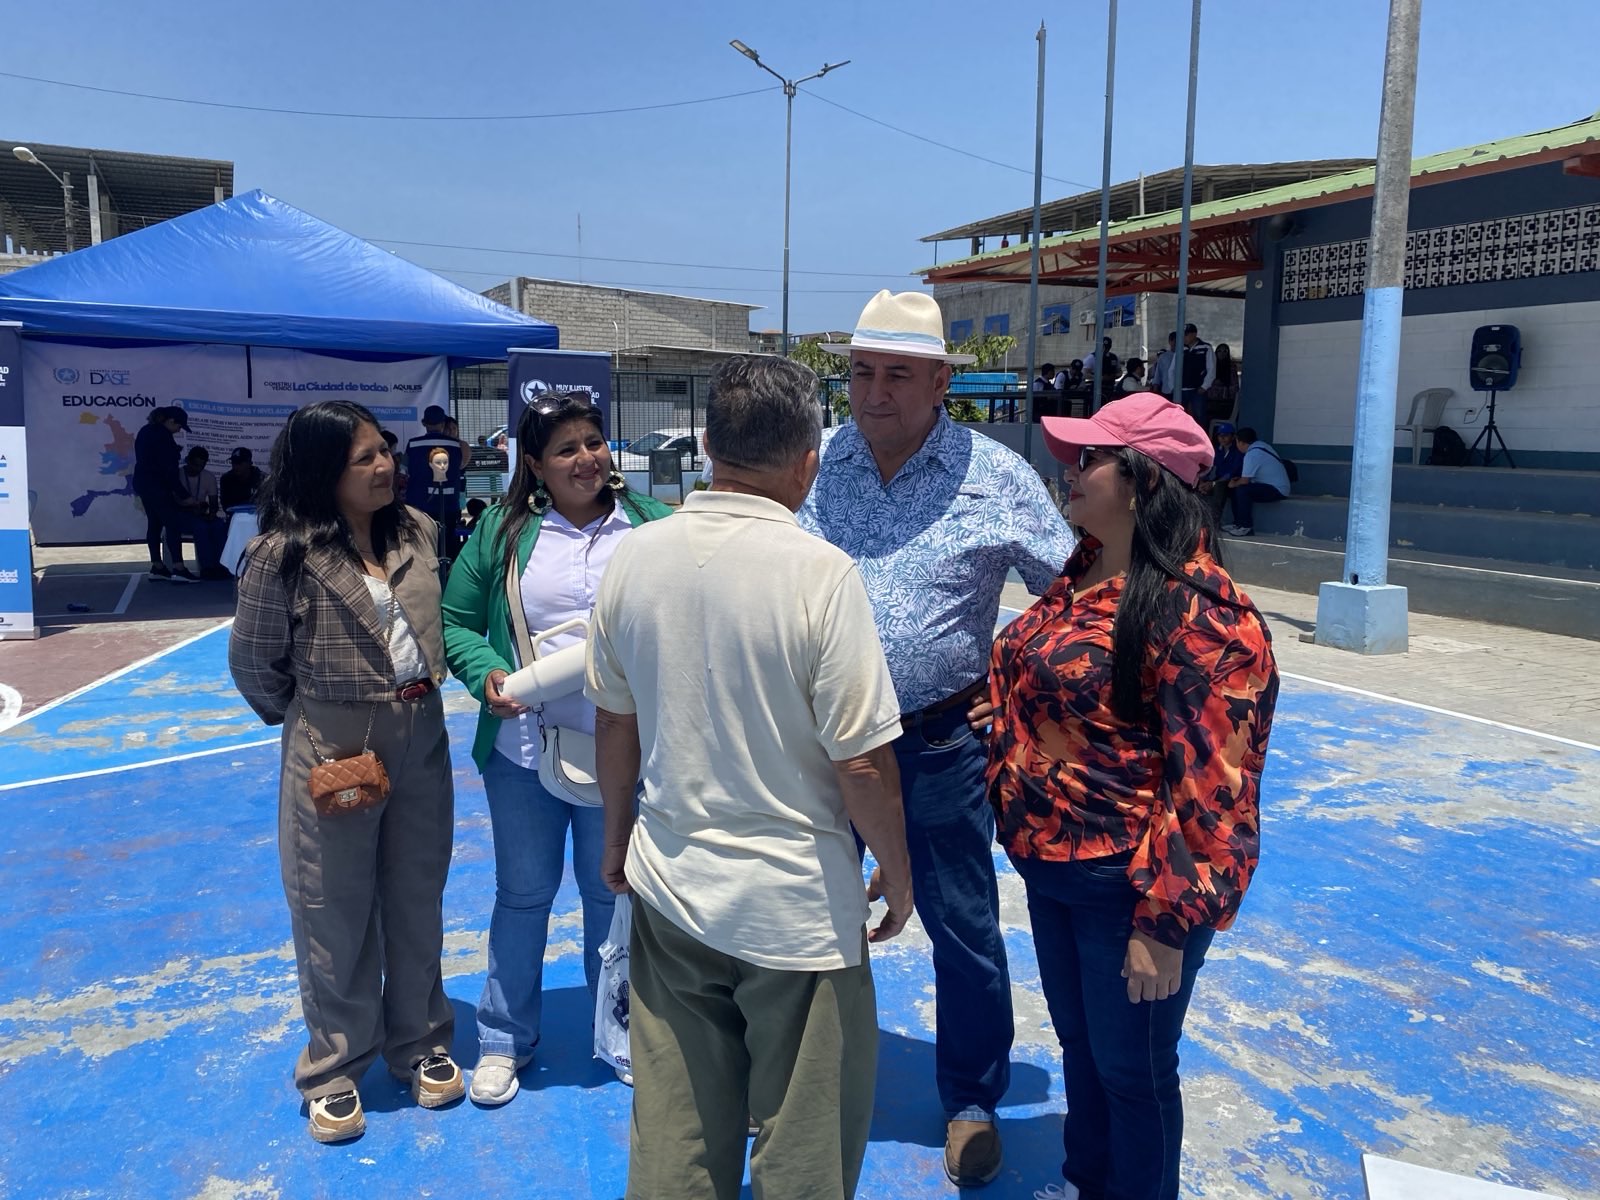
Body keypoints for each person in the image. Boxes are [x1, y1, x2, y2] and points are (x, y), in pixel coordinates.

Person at [586, 354, 913, 1200]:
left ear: (706, 446)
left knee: (676, 1139)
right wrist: (898, 871)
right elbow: (861, 761)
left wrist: (617, 838)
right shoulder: (820, 573)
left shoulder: (635, 558)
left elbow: (615, 723)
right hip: (795, 910)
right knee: (803, 1153)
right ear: (807, 461)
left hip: (672, 886)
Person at [805, 291, 1078, 1187]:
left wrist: (1021, 688)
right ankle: (808, 1078)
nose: (873, 393)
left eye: (896, 375)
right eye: (861, 373)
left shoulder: (998, 478)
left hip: (939, 744)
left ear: (940, 384)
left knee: (960, 925)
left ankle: (970, 1098)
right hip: (818, 741)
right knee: (810, 911)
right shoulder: (817, 461)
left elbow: (1075, 598)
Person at [986, 392, 1278, 1200]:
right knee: (1083, 1050)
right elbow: (1060, 680)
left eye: (1092, 460)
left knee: (1133, 1070)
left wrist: (1166, 923)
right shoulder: (1084, 571)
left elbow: (1214, 789)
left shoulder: (1206, 616)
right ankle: (1090, 1183)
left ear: (1146, 482)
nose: (1070, 471)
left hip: (1129, 885)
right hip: (1053, 866)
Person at [229, 400, 461, 1145]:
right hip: (334, 742)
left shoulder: (416, 531)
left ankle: (420, 1040)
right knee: (332, 906)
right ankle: (334, 1067)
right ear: (322, 470)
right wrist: (317, 719)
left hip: (420, 731)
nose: (385, 466)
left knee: (417, 892)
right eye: (364, 458)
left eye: (384, 451)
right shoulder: (282, 554)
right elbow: (254, 664)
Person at [440, 391, 671, 1108]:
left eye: (594, 442)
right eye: (566, 449)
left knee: (616, 893)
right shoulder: (502, 533)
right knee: (523, 894)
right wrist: (488, 674)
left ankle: (622, 1033)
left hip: (626, 755)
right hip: (522, 753)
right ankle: (503, 1040)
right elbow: (455, 623)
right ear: (535, 466)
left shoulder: (653, 525)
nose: (586, 459)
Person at [132, 406, 198, 583]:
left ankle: (157, 566)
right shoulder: (164, 437)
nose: (179, 430)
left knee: (154, 524)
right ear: (170, 421)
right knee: (173, 524)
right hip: (158, 487)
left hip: (143, 484)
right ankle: (179, 568)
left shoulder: (145, 431)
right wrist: (185, 496)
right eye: (179, 426)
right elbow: (169, 472)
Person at [406, 405, 465, 553]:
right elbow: (459, 466)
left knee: (422, 545)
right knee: (447, 545)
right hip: (449, 503)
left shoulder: (413, 444)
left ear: (424, 423)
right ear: (443, 423)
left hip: (419, 503)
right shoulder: (456, 445)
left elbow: (406, 468)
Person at [1223, 426, 1291, 536]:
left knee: (1242, 490)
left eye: (1237, 442)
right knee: (1238, 489)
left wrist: (1233, 483)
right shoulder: (1263, 446)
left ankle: (1246, 527)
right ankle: (1238, 523)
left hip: (1277, 490)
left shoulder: (1252, 454)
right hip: (1274, 486)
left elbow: (1245, 481)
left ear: (1241, 442)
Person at [177, 446, 231, 580]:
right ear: (188, 461)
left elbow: (214, 502)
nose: (198, 469)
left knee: (219, 526)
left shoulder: (208, 476)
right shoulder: (178, 475)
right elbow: (174, 502)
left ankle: (221, 566)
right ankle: (207, 568)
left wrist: (211, 514)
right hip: (182, 514)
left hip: (201, 513)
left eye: (201, 466)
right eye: (195, 465)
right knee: (200, 527)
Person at [1197, 421, 1245, 522]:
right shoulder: (1216, 450)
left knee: (1219, 487)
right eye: (1220, 435)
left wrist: (1213, 483)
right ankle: (1197, 521)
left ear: (1233, 437)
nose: (1222, 438)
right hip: (1215, 480)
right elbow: (1208, 468)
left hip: (1230, 482)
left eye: (1226, 435)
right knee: (1195, 486)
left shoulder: (1238, 451)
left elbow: (1232, 472)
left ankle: (1214, 522)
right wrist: (1202, 481)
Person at [1177, 323, 1217, 424]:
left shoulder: (1206, 348)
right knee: (1179, 416)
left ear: (1194, 334)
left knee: (1199, 417)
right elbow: (1173, 368)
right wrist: (1173, 386)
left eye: (1186, 335)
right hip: (1181, 389)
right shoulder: (1181, 348)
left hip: (1197, 390)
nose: (1184, 337)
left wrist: (1204, 387)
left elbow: (1211, 369)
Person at [220, 446, 265, 511]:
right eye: (233, 462)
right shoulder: (226, 479)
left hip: (257, 515)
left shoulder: (262, 478)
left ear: (249, 463)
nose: (235, 466)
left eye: (239, 463)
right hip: (235, 515)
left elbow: (266, 505)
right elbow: (226, 506)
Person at [1147, 331, 1179, 400]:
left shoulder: (1185, 355)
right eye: (1174, 341)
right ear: (1170, 341)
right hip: (1167, 391)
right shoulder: (1163, 357)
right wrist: (1155, 392)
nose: (1176, 343)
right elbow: (1157, 376)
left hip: (1181, 391)